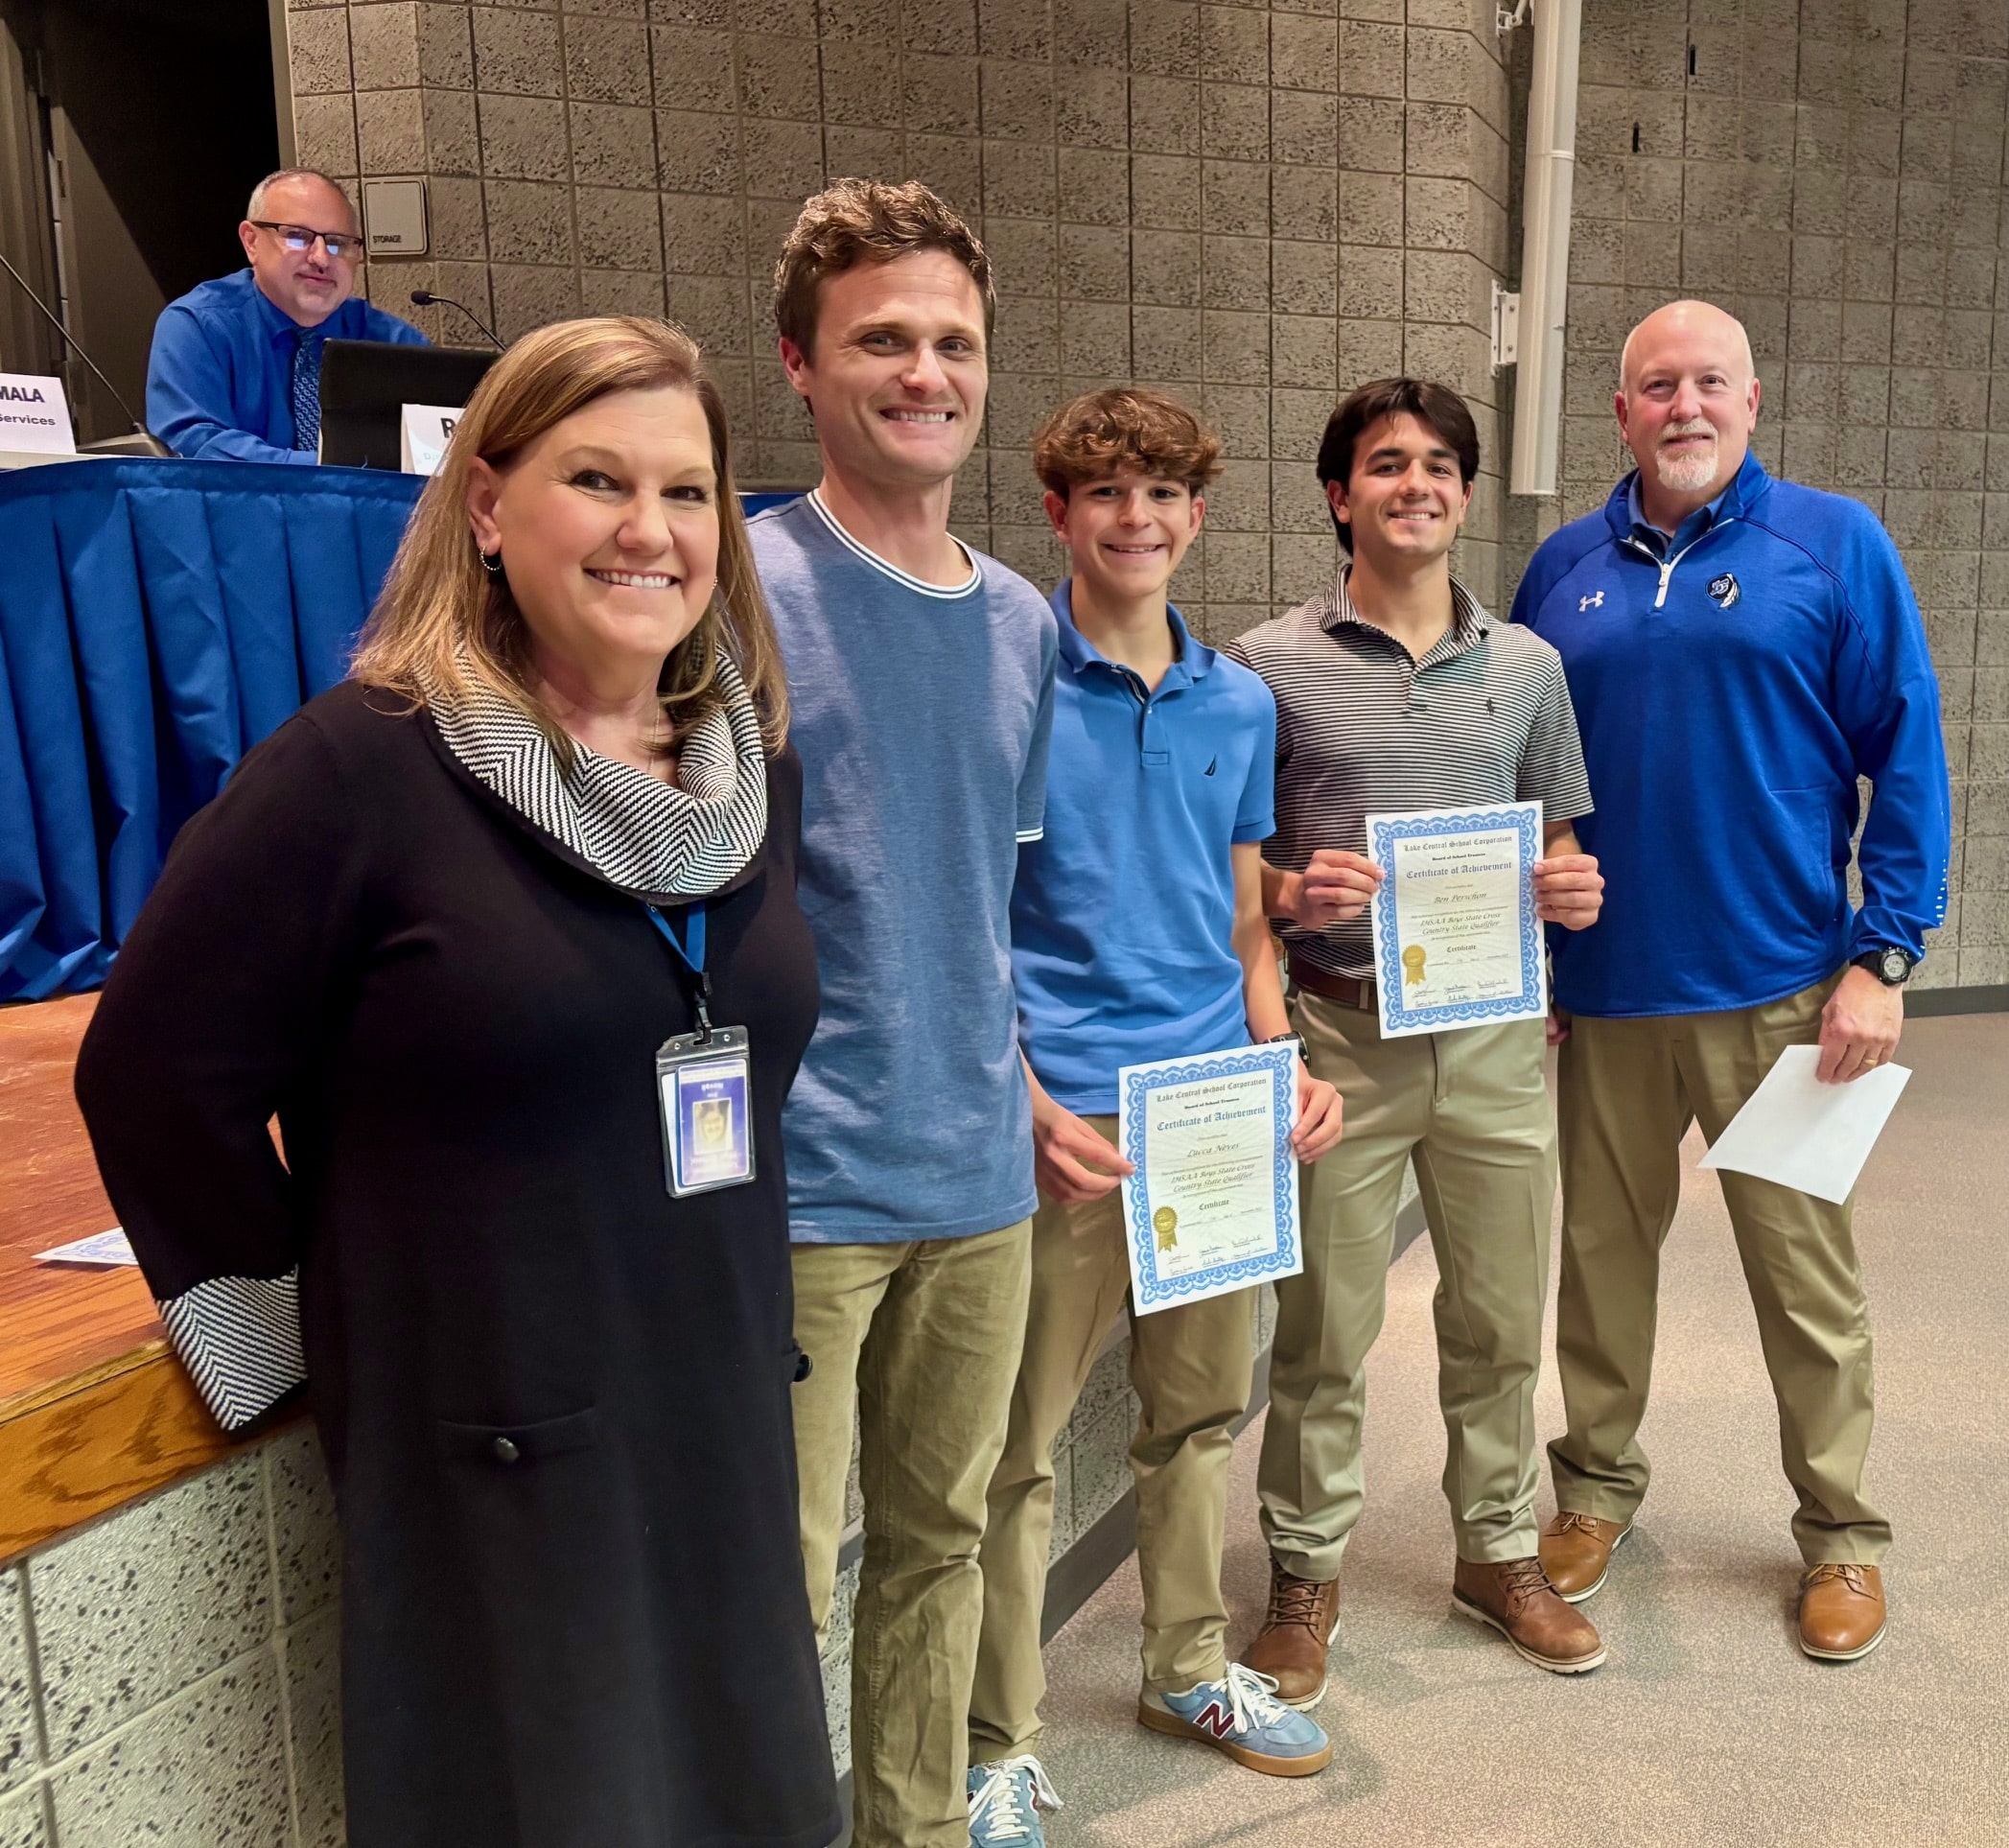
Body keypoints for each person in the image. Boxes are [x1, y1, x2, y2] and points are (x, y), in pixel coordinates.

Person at [76, 317, 841, 1848]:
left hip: (713, 1406)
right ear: (486, 506)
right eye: (597, 480)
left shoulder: (746, 766)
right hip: (493, 1454)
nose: (651, 531)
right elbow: (154, 1074)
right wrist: (315, 1330)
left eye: (687, 494)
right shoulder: (364, 766)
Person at [1511, 299, 1951, 1663]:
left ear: (1750, 400)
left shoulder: (1829, 544)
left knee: (1801, 1277)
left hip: (1781, 993)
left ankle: (1836, 1531)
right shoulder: (1559, 567)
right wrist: (1525, 951)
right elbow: (1527, 774)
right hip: (1606, 992)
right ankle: (1590, 1487)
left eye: (1707, 381)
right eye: (1656, 385)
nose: (1682, 405)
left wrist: (1880, 956)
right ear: (1619, 409)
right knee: (1595, 1266)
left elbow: (1908, 749)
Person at [965, 389, 1343, 1838]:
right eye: (1105, 494)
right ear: (1057, 514)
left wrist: (1284, 1057)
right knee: (1012, 1449)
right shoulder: (1006, 687)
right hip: (1065, 1118)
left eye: (1163, 494)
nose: (1136, 519)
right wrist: (1024, 1092)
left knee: (1195, 1414)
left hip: (1208, 1109)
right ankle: (997, 1733)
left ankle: (1184, 1668)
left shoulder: (1240, 699)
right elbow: (971, 920)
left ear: (1198, 514)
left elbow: (1247, 913)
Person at [749, 180, 1057, 1848]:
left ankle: (915, 1829)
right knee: (781, 1573)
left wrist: (1023, 1082)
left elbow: (992, 899)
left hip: (979, 1177)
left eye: (952, 340)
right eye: (882, 338)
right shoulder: (736, 584)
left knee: (940, 1544)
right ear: (801, 363)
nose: (924, 369)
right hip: (802, 1182)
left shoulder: (1022, 622)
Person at [1226, 378, 1608, 1698]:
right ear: (1339, 493)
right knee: (1322, 1328)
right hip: (1338, 1032)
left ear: (1460, 489)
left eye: (1440, 463)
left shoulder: (1525, 667)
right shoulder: (1261, 664)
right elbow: (1231, 874)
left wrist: (1570, 887)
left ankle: (1498, 1551)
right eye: (1386, 463)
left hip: (1495, 1039)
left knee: (1500, 1318)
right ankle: (1302, 1564)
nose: (1416, 484)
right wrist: (1290, 891)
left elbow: (1553, 843)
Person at [146, 167, 427, 464]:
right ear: (251, 241)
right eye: (297, 237)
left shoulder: (397, 345)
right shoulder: (198, 327)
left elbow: (438, 456)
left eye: (337, 243)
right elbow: (194, 447)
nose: (321, 258)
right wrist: (331, 468)